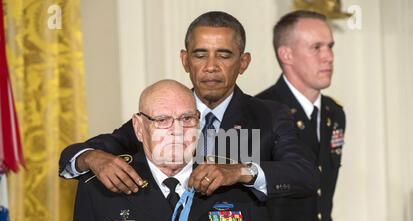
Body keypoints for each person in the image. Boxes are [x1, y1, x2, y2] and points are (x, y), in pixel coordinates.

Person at [59, 11, 320, 203]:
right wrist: (91, 158)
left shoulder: (270, 115)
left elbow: (306, 175)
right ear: (185, 60)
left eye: (224, 55)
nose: (211, 66)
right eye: (200, 54)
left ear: (243, 62)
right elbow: (79, 152)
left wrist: (240, 171)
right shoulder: (158, 116)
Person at [69, 79, 278, 221]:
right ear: (139, 128)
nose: (177, 131)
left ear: (199, 124)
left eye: (187, 118)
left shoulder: (237, 187)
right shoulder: (99, 192)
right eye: (162, 120)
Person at [256, 10, 346, 221]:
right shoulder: (258, 112)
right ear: (287, 55)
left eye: (330, 46)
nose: (328, 56)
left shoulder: (334, 113)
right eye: (316, 47)